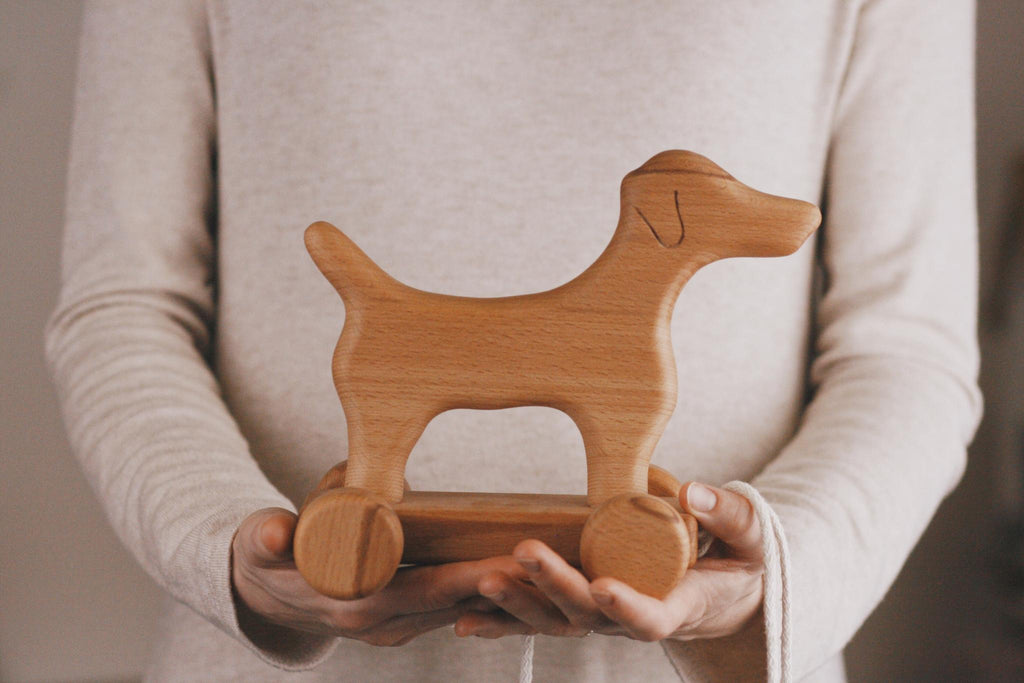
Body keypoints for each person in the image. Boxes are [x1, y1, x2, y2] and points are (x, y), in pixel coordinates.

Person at [47, 2, 981, 681]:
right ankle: (367, 496)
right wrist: (228, 546)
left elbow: (905, 347)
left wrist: (778, 571)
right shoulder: (623, 345)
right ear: (664, 222)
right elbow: (123, 303)